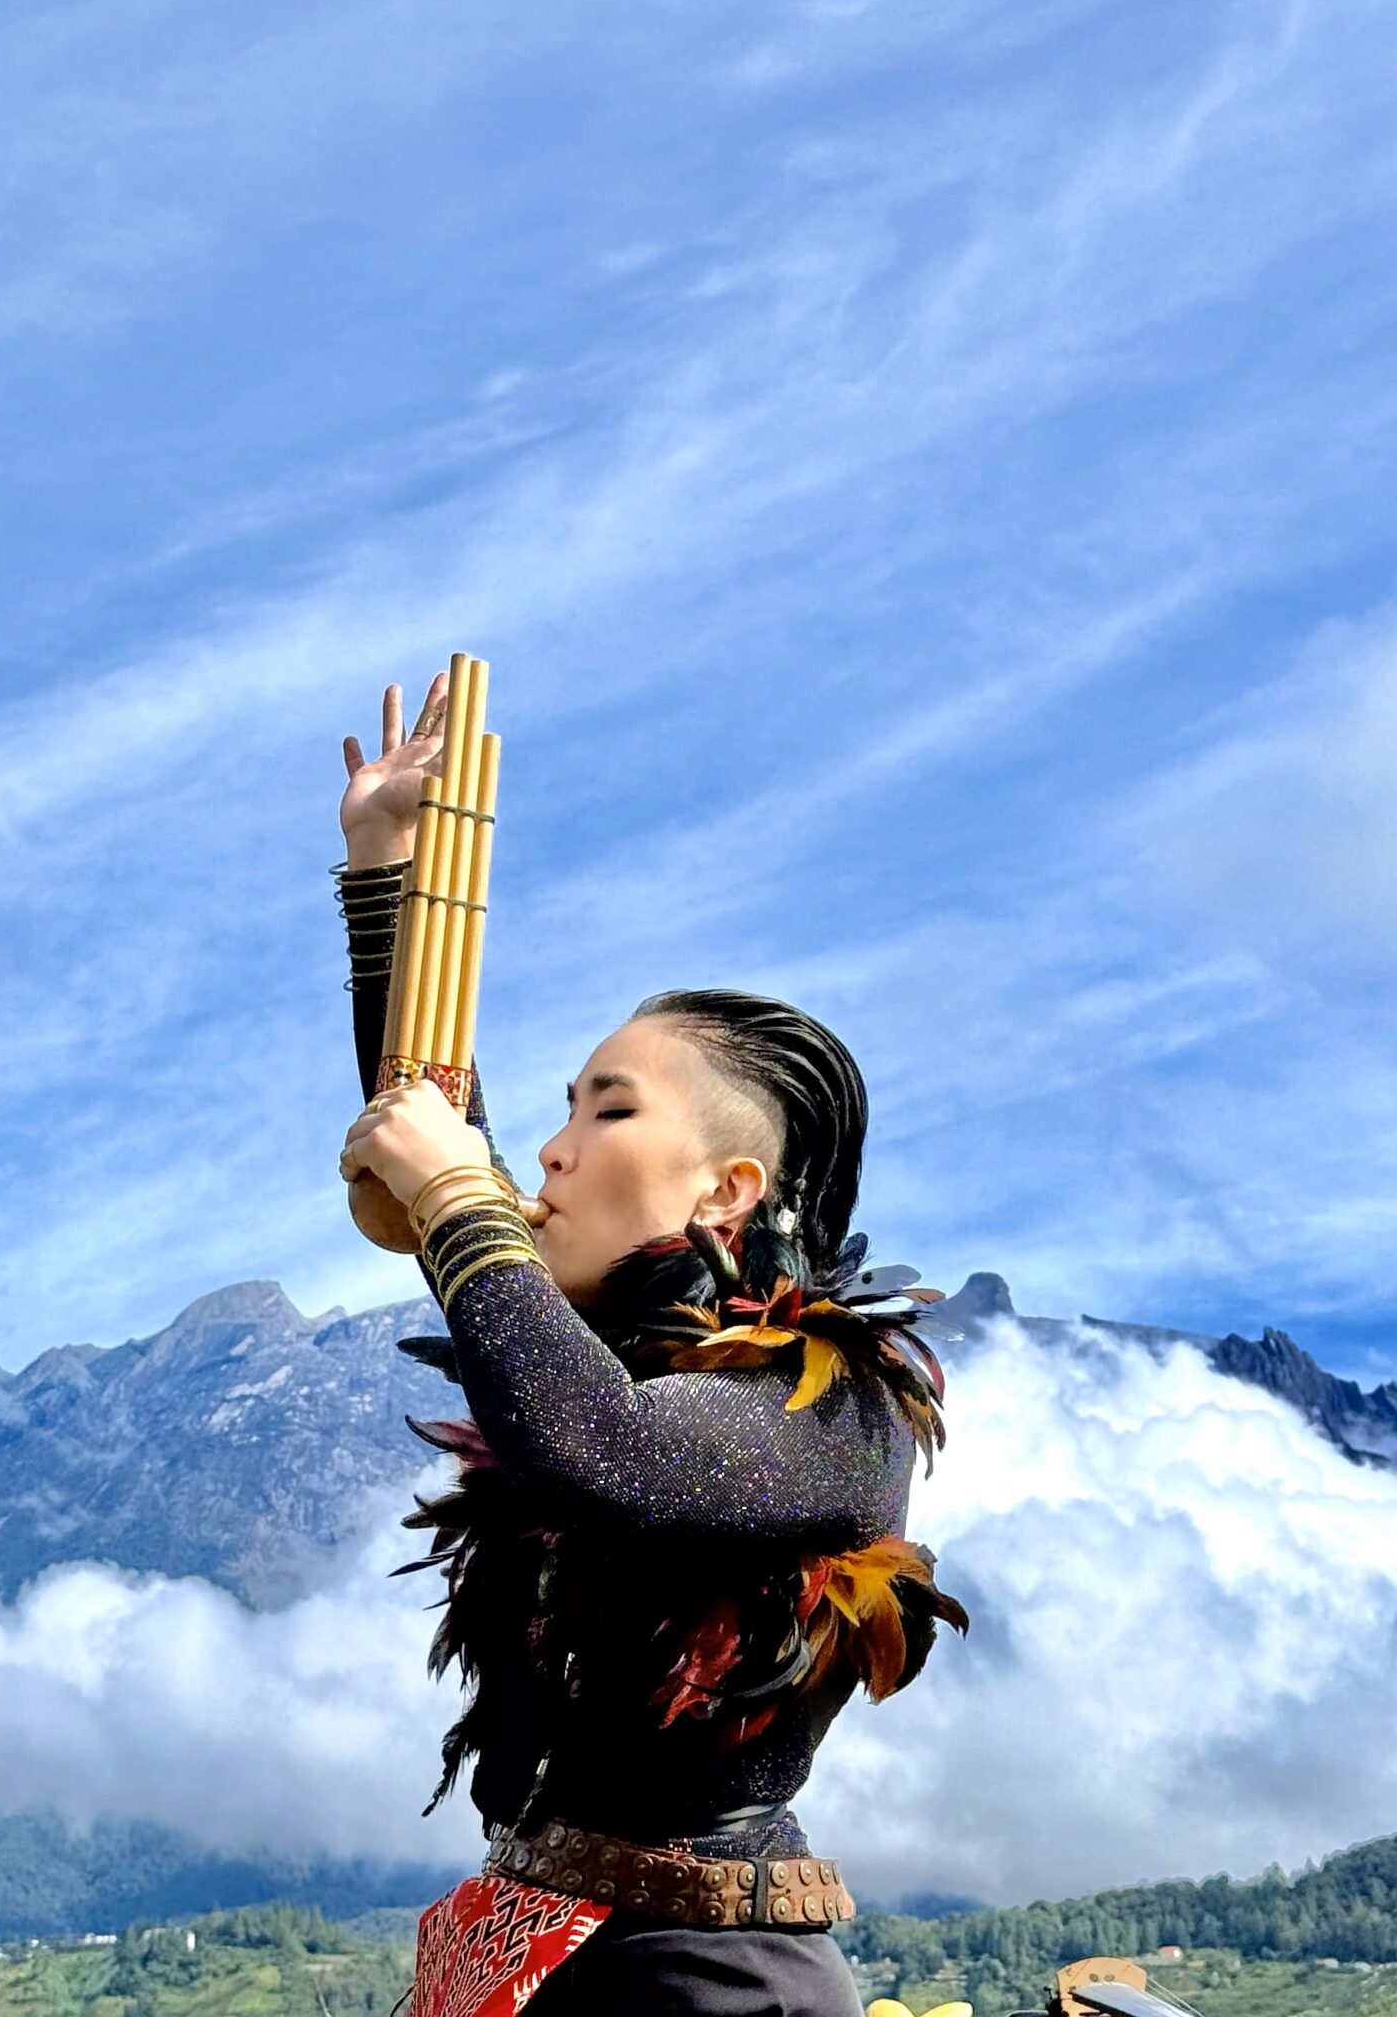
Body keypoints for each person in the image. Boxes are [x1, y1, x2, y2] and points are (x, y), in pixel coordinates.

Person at [333, 672, 966, 2017]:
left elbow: (601, 1445)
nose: (550, 1150)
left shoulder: (833, 1405)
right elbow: (447, 1180)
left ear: (728, 1190)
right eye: (563, 1110)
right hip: (556, 1959)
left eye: (607, 1112)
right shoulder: (584, 1354)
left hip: (711, 1985)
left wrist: (453, 1190)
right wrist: (386, 868)